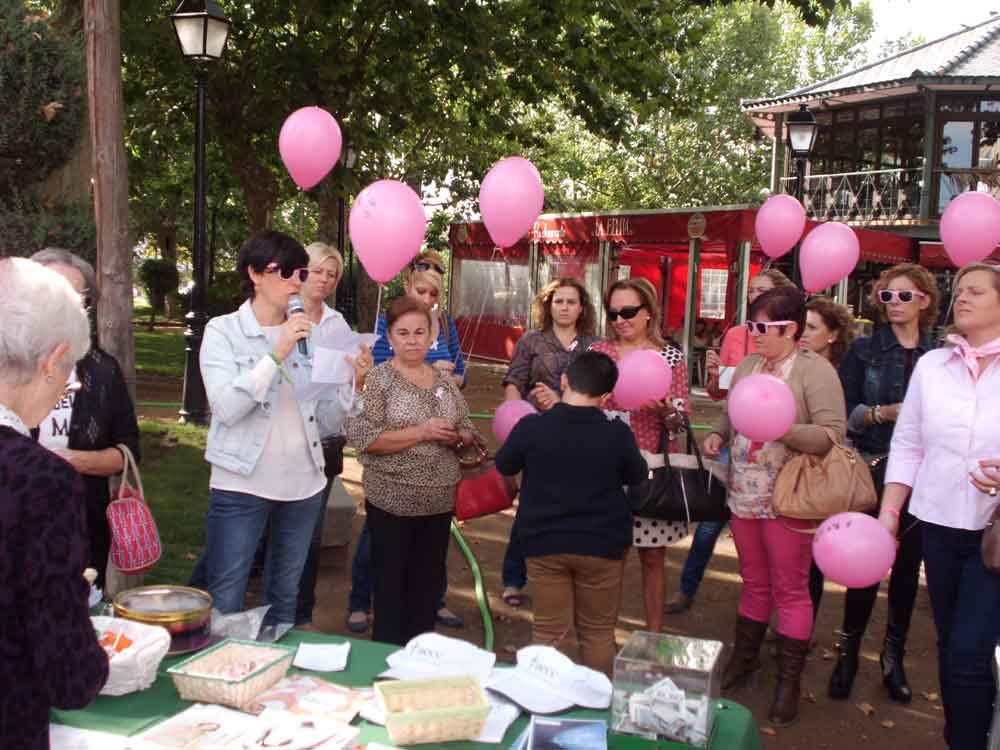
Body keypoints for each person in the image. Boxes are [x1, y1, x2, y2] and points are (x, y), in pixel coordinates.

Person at [199, 230, 370, 631]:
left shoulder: (310, 334)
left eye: (300, 272)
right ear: (255, 274)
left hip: (304, 485)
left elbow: (329, 421)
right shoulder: (223, 331)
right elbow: (227, 407)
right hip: (241, 482)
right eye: (287, 272)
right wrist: (276, 353)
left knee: (285, 598)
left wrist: (353, 386)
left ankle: (277, 685)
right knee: (226, 595)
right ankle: (219, 680)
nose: (297, 281)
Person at [702, 286, 845, 727]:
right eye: (752, 326)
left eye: (765, 327)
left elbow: (832, 434)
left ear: (792, 329)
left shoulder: (814, 371)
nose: (756, 335)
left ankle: (788, 682)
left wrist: (782, 428)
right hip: (744, 493)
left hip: (790, 497)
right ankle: (745, 661)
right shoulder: (748, 364)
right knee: (755, 581)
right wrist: (719, 434)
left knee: (791, 587)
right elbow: (731, 412)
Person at [877, 262, 1000, 750]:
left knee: (969, 653)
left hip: (995, 534)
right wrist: (889, 516)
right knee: (952, 648)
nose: (961, 297)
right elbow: (908, 445)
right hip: (941, 526)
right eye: (959, 290)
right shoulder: (932, 366)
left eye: (976, 291)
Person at [0, 257, 109, 750]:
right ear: (51, 359)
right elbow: (68, 673)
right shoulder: (40, 480)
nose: (72, 383)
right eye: (70, 368)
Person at [827, 264, 940, 704]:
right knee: (864, 566)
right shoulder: (864, 350)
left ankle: (892, 659)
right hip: (873, 468)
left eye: (904, 297)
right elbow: (845, 409)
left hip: (923, 479)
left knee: (908, 572)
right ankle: (848, 654)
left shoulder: (940, 356)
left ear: (924, 301)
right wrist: (881, 413)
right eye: (887, 297)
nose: (893, 304)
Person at [495, 351, 646, 676]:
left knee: (548, 633)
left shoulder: (531, 427)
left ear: (563, 381)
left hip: (544, 544)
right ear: (607, 397)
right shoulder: (617, 434)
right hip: (603, 546)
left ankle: (544, 708)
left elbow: (504, 463)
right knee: (597, 633)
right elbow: (637, 475)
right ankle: (599, 711)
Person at [346, 295, 479, 646]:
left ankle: (421, 661)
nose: (412, 339)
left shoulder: (443, 380)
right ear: (389, 337)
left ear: (431, 336)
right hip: (392, 503)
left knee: (427, 587)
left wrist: (460, 436)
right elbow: (364, 438)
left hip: (438, 504)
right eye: (403, 332)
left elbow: (467, 425)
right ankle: (386, 664)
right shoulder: (378, 380)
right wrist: (422, 432)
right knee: (391, 590)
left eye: (420, 332)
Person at [666, 268, 795, 615]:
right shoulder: (736, 334)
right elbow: (721, 393)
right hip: (733, 442)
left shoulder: (792, 343)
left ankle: (775, 611)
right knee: (709, 520)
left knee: (770, 533)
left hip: (776, 453)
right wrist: (713, 378)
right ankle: (685, 590)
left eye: (763, 290)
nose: (754, 296)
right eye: (751, 290)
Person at [29, 248, 141, 591]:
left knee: (78, 622)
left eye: (78, 299)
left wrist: (71, 461)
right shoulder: (9, 365)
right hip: (16, 524)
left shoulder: (101, 369)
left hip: (81, 525)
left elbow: (128, 453)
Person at [590, 278, 690, 634]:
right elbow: (582, 406)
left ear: (648, 313)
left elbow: (681, 422)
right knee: (608, 559)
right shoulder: (598, 354)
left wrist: (666, 413)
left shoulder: (671, 356)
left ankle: (653, 638)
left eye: (628, 311)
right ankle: (600, 639)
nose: (620, 319)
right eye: (613, 312)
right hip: (604, 471)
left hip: (651, 471)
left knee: (652, 557)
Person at [499, 277, 599, 607]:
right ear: (548, 305)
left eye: (571, 301)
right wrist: (516, 413)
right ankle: (514, 579)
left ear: (582, 308)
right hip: (539, 434)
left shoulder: (594, 346)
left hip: (581, 437)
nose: (565, 307)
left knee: (575, 508)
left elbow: (601, 392)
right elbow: (514, 380)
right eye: (559, 301)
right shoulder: (531, 341)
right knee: (530, 505)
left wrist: (562, 398)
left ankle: (562, 580)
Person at [294, 241, 368, 630]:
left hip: (323, 441)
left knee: (309, 534)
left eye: (332, 274)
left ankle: (301, 615)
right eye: (317, 270)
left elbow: (346, 394)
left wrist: (357, 376)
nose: (324, 279)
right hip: (281, 439)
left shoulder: (338, 325)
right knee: (265, 531)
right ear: (300, 270)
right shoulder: (278, 315)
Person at [798, 296, 855, 624]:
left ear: (832, 335)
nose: (803, 333)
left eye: (812, 327)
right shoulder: (794, 366)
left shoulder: (840, 373)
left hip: (828, 471)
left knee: (816, 551)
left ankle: (804, 625)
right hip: (795, 468)